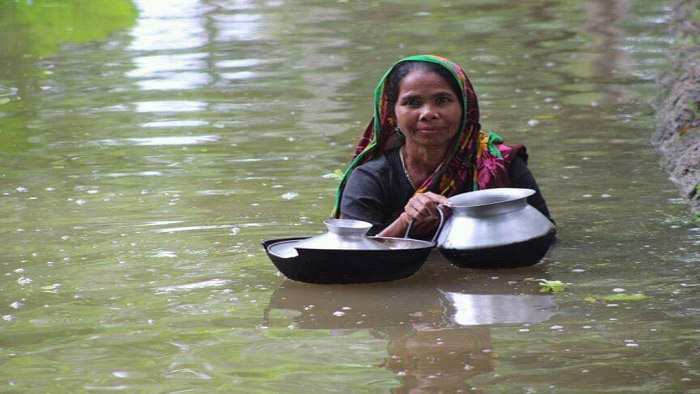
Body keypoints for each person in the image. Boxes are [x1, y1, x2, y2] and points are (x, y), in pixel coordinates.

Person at [332, 55, 552, 238]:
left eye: (442, 100)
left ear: (465, 107)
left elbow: (546, 237)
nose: (428, 114)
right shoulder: (370, 178)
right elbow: (355, 256)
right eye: (412, 103)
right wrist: (407, 221)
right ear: (392, 114)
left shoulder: (502, 164)